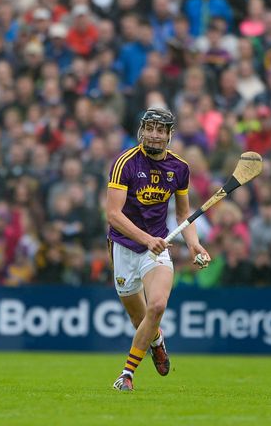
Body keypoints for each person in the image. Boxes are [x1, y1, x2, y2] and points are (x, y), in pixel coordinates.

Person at [106, 107, 210, 391]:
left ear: (169, 134)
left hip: (156, 249)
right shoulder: (125, 162)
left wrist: (194, 244)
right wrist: (144, 239)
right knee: (140, 319)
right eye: (150, 128)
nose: (154, 134)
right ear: (142, 130)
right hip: (125, 247)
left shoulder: (179, 168)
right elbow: (114, 214)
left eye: (160, 130)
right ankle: (157, 342)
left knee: (158, 306)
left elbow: (183, 216)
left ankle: (127, 374)